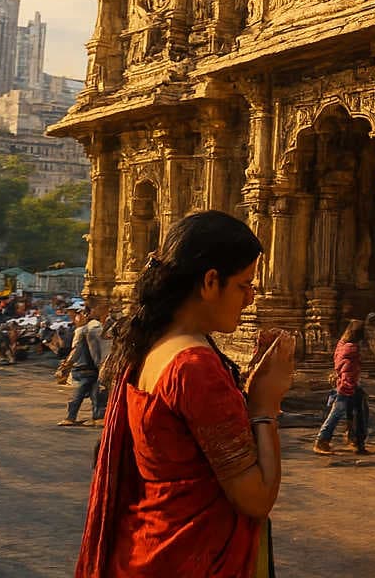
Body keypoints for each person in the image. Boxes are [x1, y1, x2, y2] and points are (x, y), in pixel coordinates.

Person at [75, 210, 296, 578]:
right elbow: (256, 498)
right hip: (189, 558)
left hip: (148, 547)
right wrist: (264, 405)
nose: (251, 298)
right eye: (244, 285)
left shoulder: (151, 345)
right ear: (211, 281)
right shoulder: (194, 366)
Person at [315, 320, 367, 454]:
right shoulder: (351, 350)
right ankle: (322, 441)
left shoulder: (342, 345)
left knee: (356, 412)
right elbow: (348, 370)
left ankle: (355, 440)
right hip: (346, 386)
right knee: (337, 414)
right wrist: (349, 386)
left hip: (347, 385)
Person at [58, 306, 108, 427]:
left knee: (82, 394)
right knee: (95, 395)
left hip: (86, 367)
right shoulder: (93, 328)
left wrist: (67, 365)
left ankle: (72, 417)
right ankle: (97, 417)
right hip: (89, 367)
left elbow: (80, 350)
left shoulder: (89, 329)